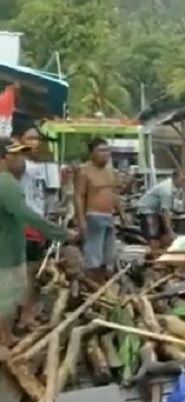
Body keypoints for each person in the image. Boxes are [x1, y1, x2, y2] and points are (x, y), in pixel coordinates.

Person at [0, 140, 72, 347]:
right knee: (6, 297)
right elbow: (25, 214)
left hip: (8, 247)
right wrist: (61, 234)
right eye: (17, 156)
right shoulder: (7, 183)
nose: (22, 160)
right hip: (6, 253)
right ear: (4, 158)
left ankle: (6, 336)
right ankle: (3, 340)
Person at [11, 125, 51, 329]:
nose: (35, 142)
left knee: (32, 274)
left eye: (37, 139)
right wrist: (17, 146)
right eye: (30, 138)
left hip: (37, 224)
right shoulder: (20, 163)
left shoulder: (38, 165)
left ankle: (25, 313)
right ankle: (24, 317)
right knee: (24, 275)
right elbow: (16, 166)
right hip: (24, 225)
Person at [74, 138, 122, 282]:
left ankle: (105, 283)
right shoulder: (84, 171)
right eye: (101, 150)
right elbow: (79, 196)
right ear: (92, 153)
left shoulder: (109, 172)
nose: (105, 154)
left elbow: (113, 194)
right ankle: (92, 285)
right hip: (93, 216)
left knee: (109, 255)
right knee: (93, 256)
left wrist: (122, 213)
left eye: (107, 150)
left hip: (108, 216)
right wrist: (81, 220)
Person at [137, 172, 185, 251]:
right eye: (182, 180)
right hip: (147, 210)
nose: (184, 183)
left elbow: (168, 207)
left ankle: (163, 253)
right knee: (154, 237)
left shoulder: (172, 187)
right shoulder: (166, 190)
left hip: (156, 210)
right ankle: (155, 257)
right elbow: (165, 212)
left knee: (165, 236)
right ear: (175, 179)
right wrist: (170, 230)